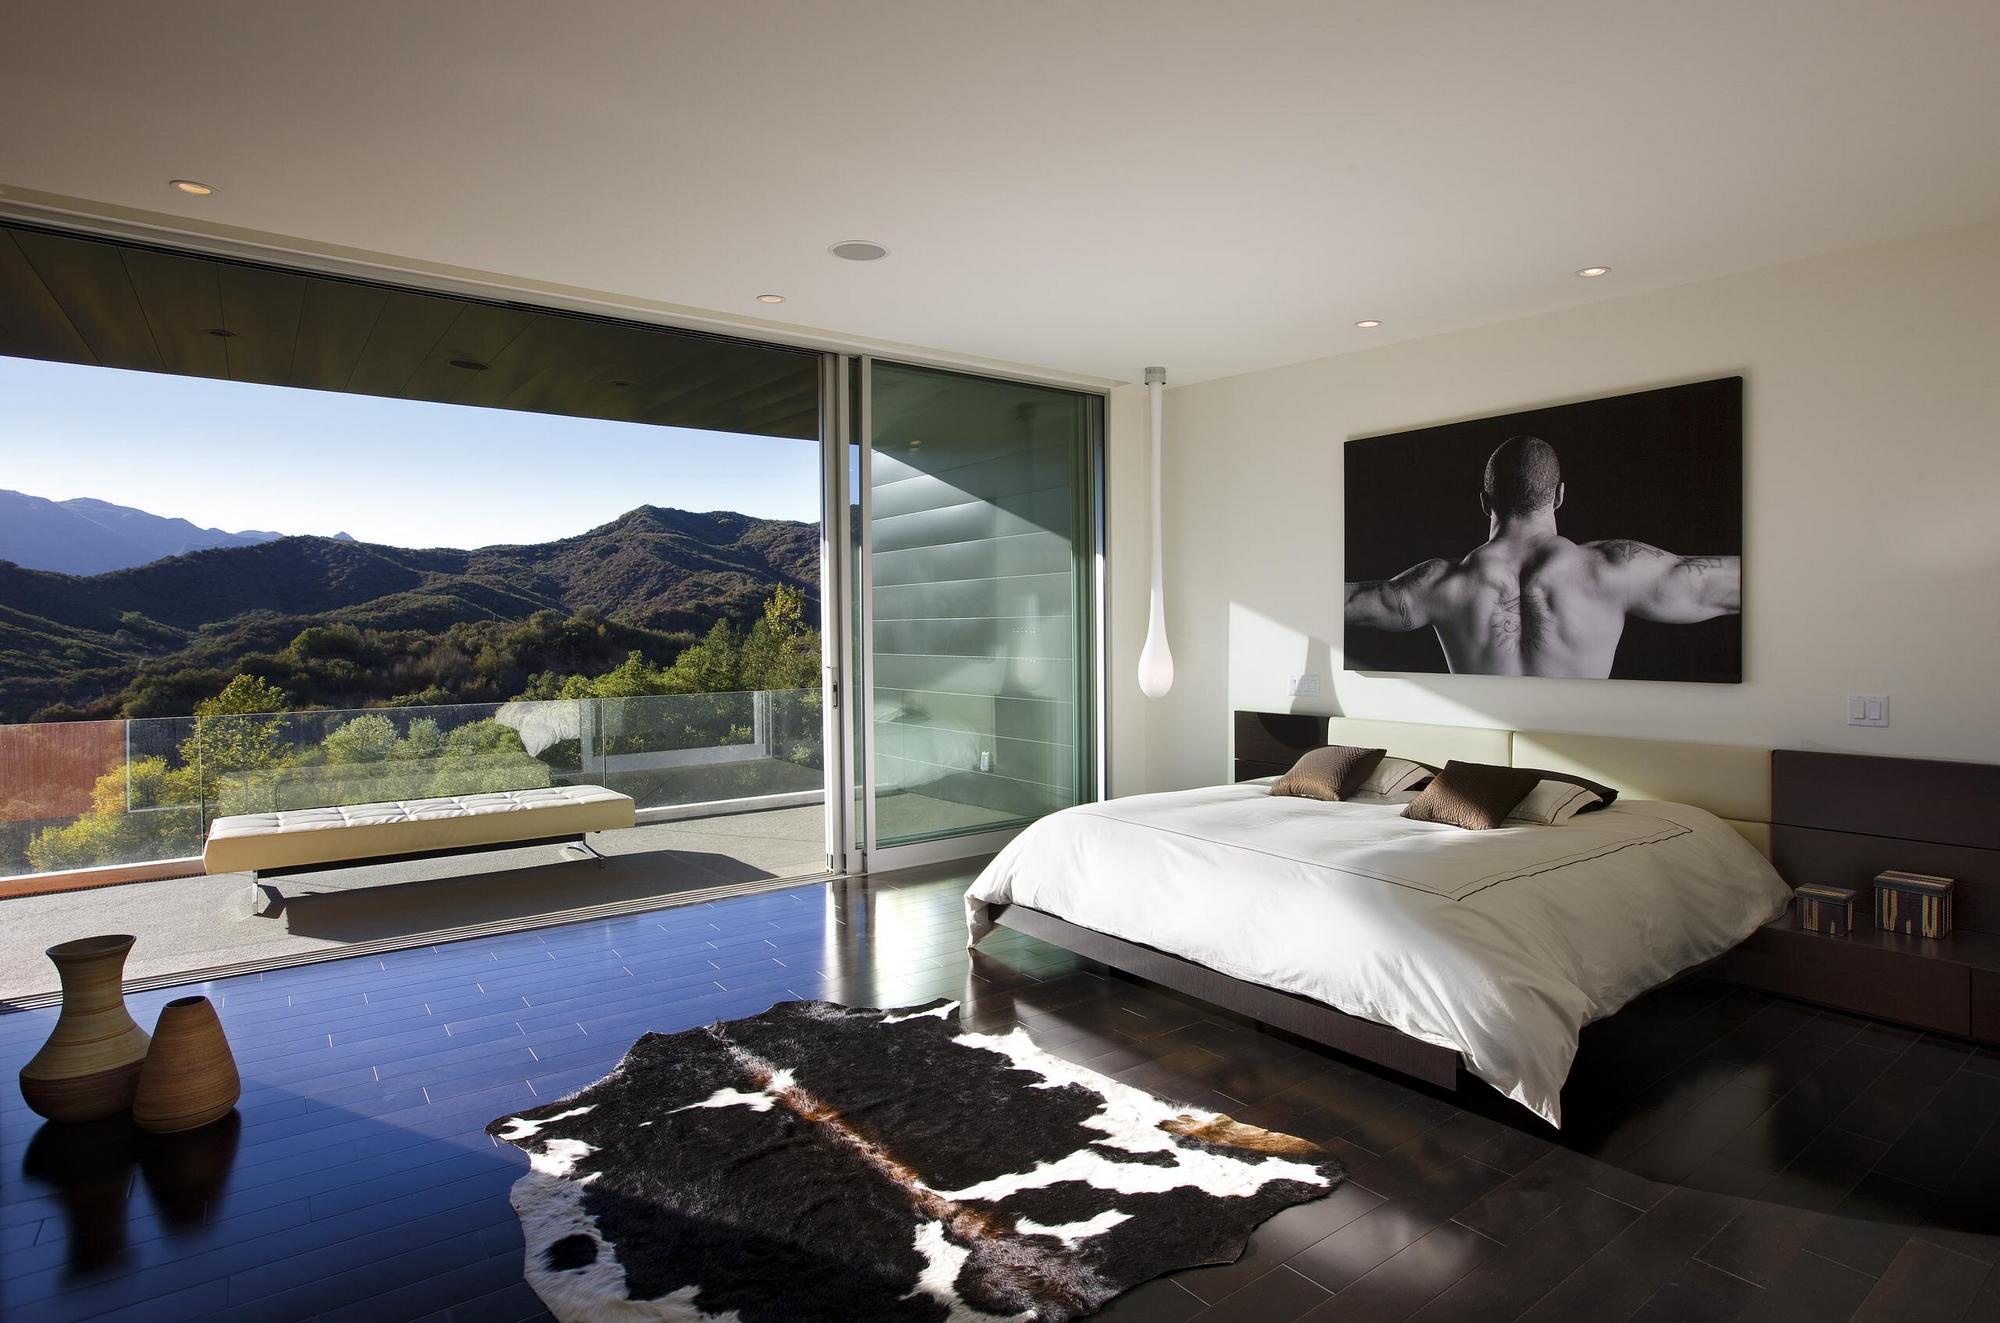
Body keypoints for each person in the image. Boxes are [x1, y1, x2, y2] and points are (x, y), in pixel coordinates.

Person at [1343, 435, 1739, 678]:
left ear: (1485, 502)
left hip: (1481, 762)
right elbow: (1727, 583)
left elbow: (1343, 601)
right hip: (1584, 759)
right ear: (1559, 495)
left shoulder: (1440, 584)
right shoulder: (1612, 571)